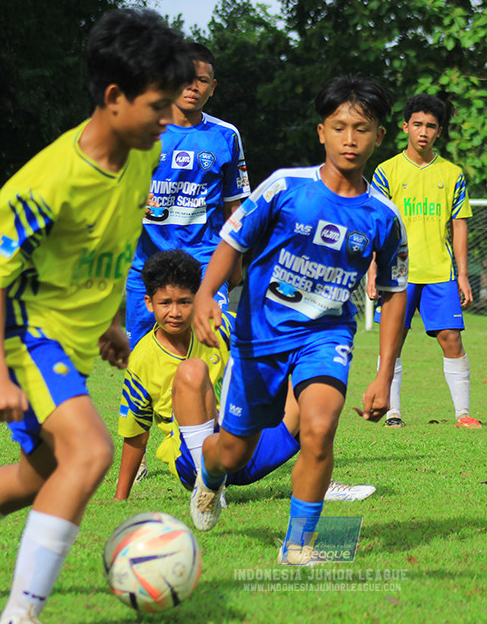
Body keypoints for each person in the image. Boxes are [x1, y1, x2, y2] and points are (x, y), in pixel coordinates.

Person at [0, 8, 193, 624]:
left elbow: (101, 244)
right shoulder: (45, 182)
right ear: (113, 97)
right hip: (22, 333)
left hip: (70, 338)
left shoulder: (141, 158)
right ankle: (21, 616)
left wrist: (106, 322)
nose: (168, 118)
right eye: (158, 105)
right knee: (90, 453)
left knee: (40, 473)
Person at [188, 76, 409, 565]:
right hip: (259, 333)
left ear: (379, 137)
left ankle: (299, 545)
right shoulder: (287, 187)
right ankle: (211, 470)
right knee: (235, 451)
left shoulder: (384, 216)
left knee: (320, 426)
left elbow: (393, 295)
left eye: (362, 129)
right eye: (340, 127)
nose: (350, 138)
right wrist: (206, 295)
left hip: (327, 333)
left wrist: (383, 375)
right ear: (321, 133)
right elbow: (231, 241)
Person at [113, 249, 375, 503]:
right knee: (192, 371)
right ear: (149, 303)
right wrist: (120, 497)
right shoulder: (142, 360)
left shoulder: (222, 325)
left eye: (184, 301)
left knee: (313, 381)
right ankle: (207, 488)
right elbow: (136, 433)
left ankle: (317, 484)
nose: (175, 312)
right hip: (192, 462)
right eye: (165, 303)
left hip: (244, 446)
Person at [125, 41, 250, 349]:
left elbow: (235, 206)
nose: (193, 87)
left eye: (202, 81)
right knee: (144, 355)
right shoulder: (140, 128)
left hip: (205, 260)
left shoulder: (226, 135)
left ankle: (206, 399)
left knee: (210, 343)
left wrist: (235, 263)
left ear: (213, 88)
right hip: (145, 260)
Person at [366, 94, 480, 429]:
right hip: (397, 272)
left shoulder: (452, 173)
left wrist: (463, 274)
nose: (423, 132)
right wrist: (372, 270)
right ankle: (393, 412)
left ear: (439, 131)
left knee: (451, 338)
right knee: (393, 341)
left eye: (431, 126)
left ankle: (463, 414)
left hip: (439, 271)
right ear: (405, 127)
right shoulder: (386, 172)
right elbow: (377, 225)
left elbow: (459, 224)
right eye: (417, 124)